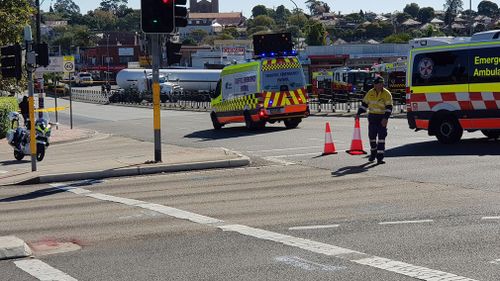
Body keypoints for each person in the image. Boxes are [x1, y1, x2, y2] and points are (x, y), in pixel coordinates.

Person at [355, 76, 393, 164]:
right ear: (375, 85)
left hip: (382, 118)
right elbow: (364, 104)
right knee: (372, 137)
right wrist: (358, 114)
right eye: (379, 83)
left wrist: (385, 118)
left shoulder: (387, 93)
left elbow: (389, 108)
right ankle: (373, 153)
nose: (381, 85)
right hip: (372, 117)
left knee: (381, 138)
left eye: (382, 83)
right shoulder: (370, 92)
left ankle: (380, 158)